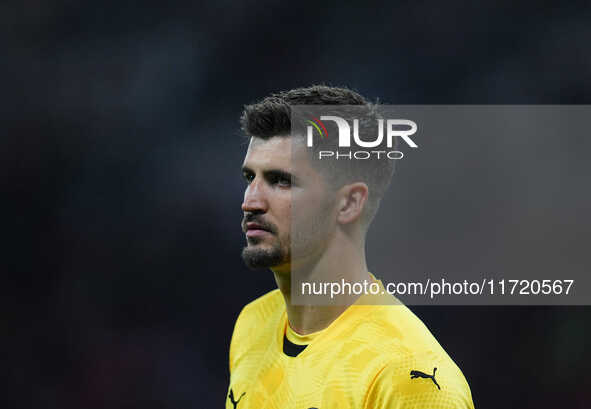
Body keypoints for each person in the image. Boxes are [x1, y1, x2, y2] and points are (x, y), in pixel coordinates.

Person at [227, 85, 474, 408]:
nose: (251, 202)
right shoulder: (253, 324)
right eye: (250, 178)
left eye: (281, 180)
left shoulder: (408, 377)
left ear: (349, 203)